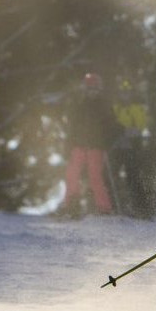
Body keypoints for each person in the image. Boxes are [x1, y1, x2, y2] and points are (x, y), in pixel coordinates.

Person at [59, 72, 122, 217]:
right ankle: (71, 205)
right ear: (84, 89)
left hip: (96, 146)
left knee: (95, 176)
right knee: (72, 174)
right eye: (89, 89)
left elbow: (114, 126)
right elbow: (72, 127)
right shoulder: (79, 104)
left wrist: (107, 141)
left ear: (99, 89)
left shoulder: (104, 105)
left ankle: (104, 208)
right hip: (78, 144)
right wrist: (68, 144)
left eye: (94, 89)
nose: (92, 92)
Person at [111, 79, 152, 218]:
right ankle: (113, 206)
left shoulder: (137, 108)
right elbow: (109, 126)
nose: (125, 95)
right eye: (122, 93)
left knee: (133, 177)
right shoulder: (115, 108)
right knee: (111, 175)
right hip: (116, 148)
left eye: (127, 93)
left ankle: (141, 208)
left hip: (132, 148)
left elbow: (141, 126)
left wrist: (125, 131)